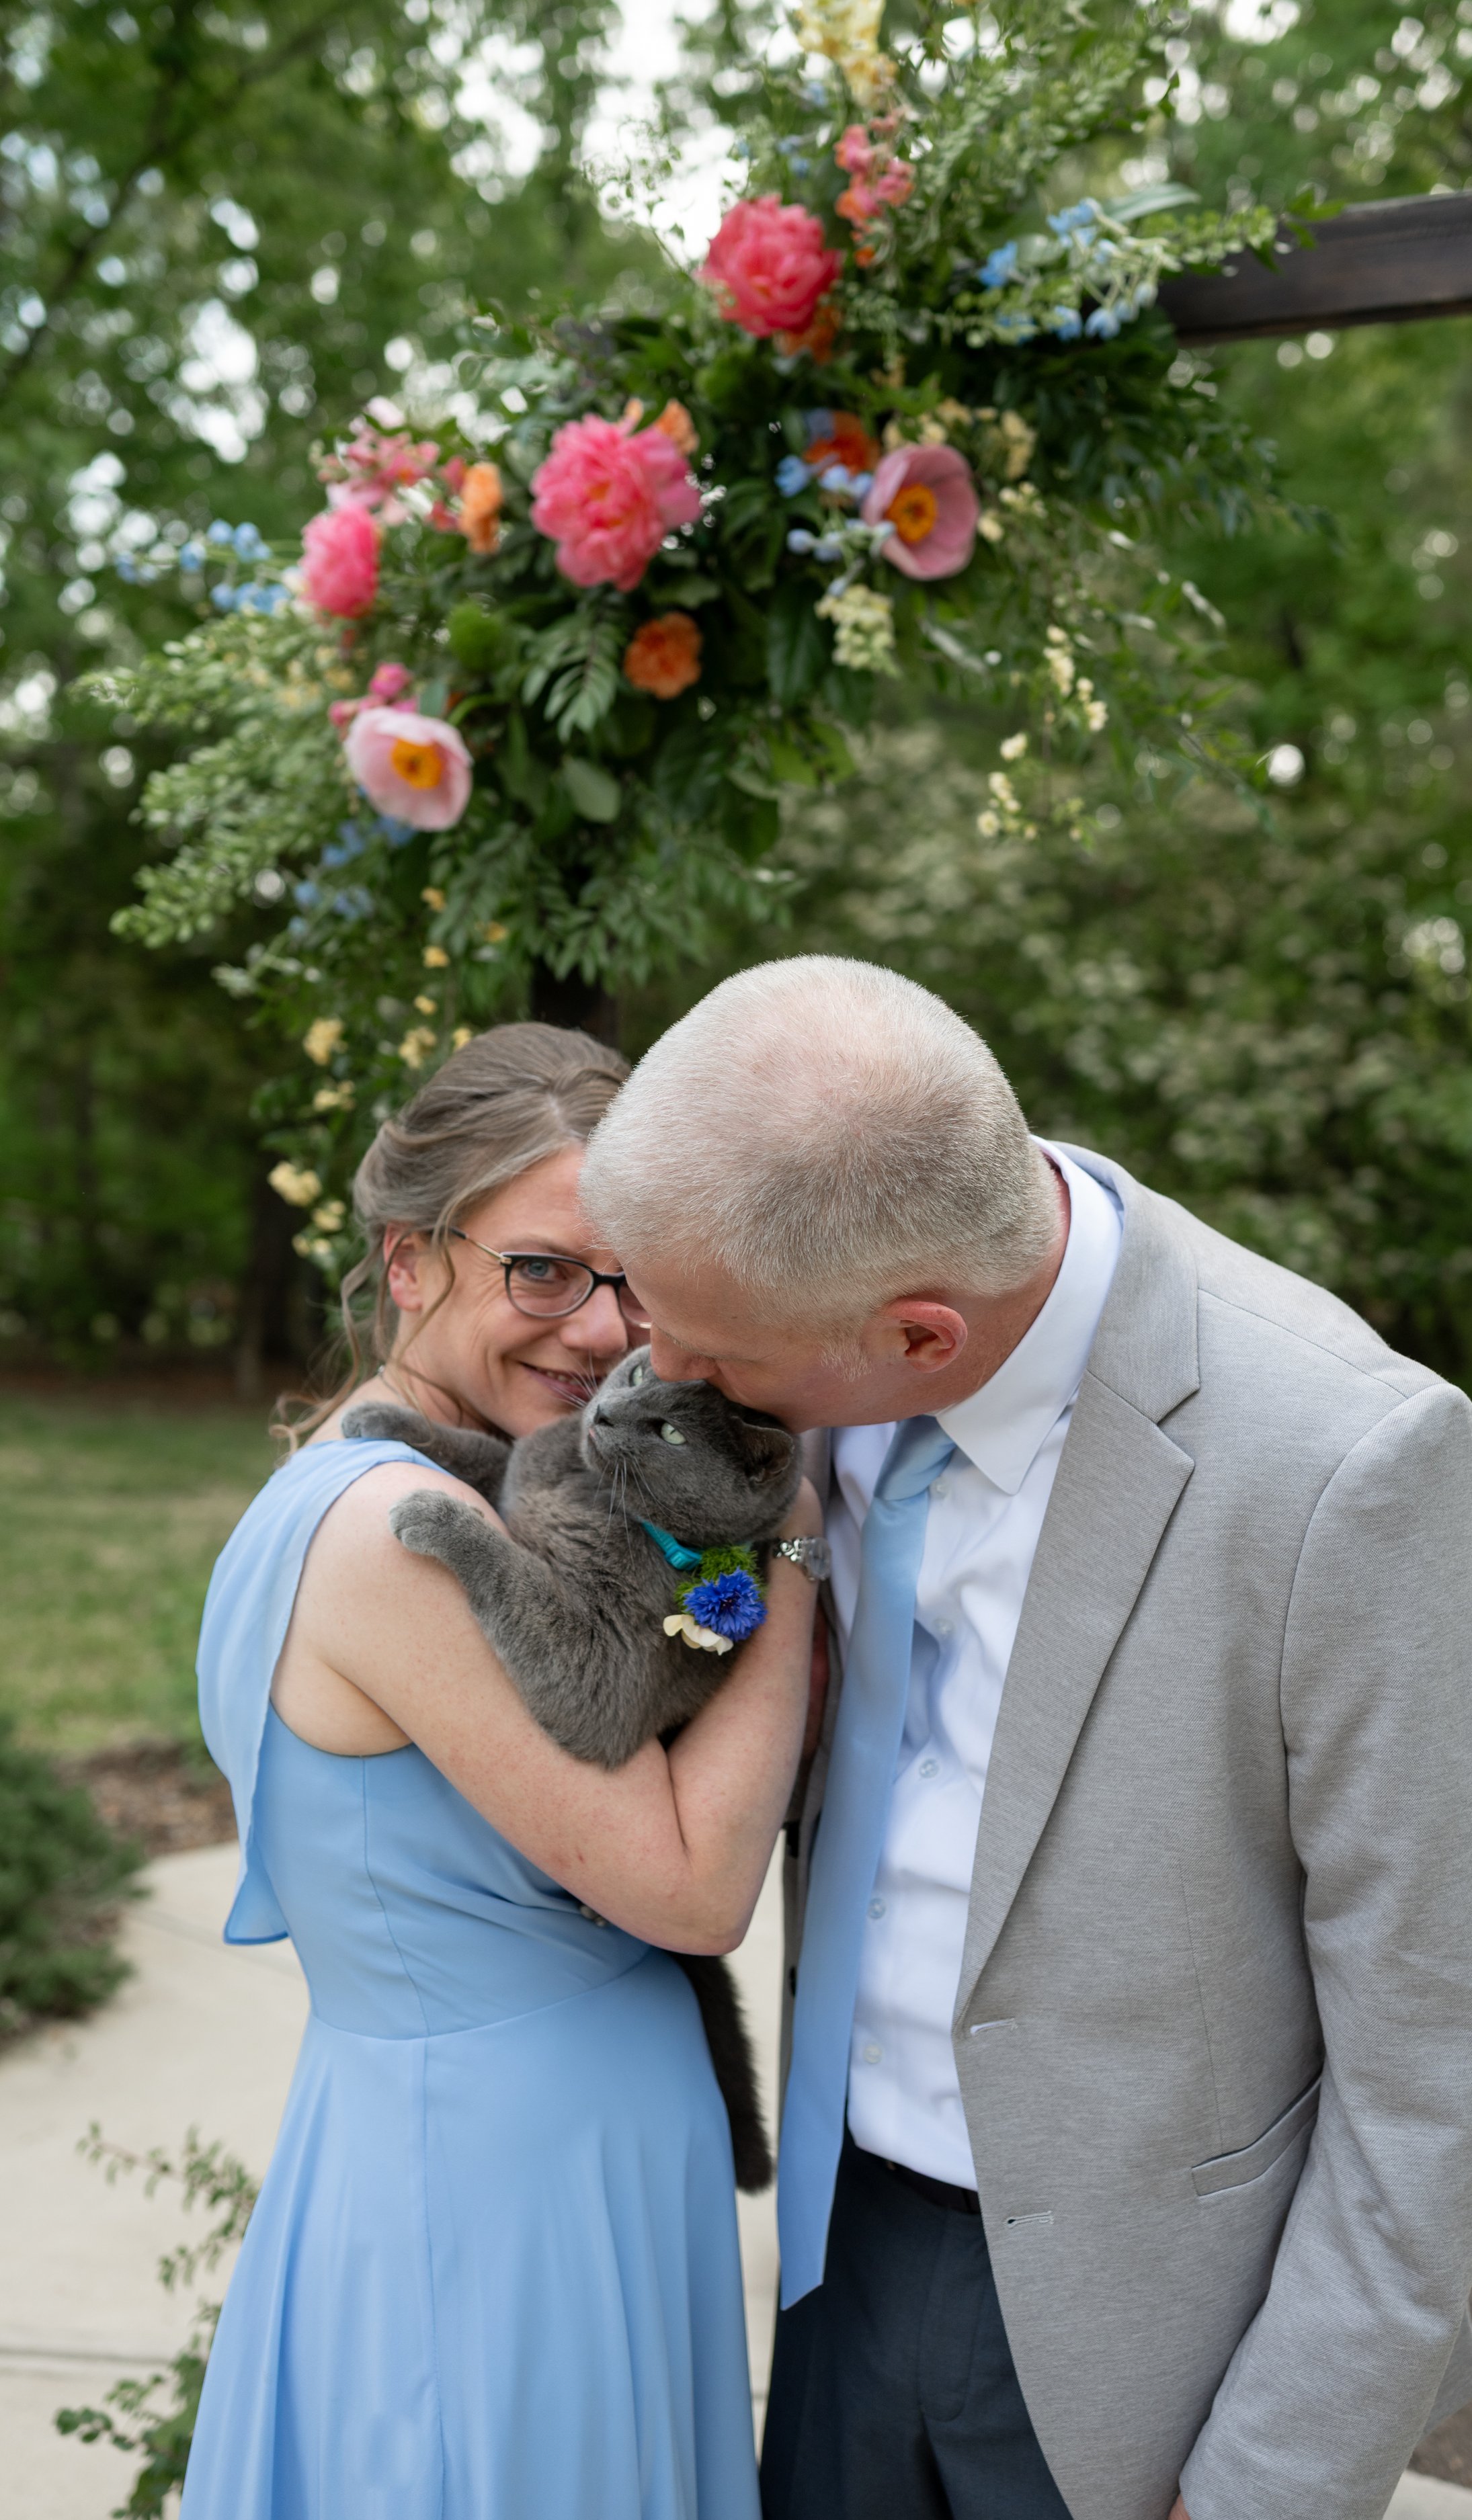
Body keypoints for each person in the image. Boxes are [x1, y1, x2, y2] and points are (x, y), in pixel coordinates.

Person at [578, 958, 1472, 2520]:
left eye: (713, 1355)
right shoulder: (812, 1320)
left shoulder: (1349, 1464)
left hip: (1140, 2354)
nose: (665, 1378)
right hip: (832, 2255)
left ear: (916, 1337)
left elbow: (1436, 2051)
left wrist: (1268, 2485)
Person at [181, 1023, 821, 2520]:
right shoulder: (389, 1530)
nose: (600, 1331)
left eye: (635, 1283)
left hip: (553, 2162)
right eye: (542, 1269)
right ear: (409, 1261)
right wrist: (785, 1548)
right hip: (492, 2201)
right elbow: (688, 1884)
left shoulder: (411, 1470)